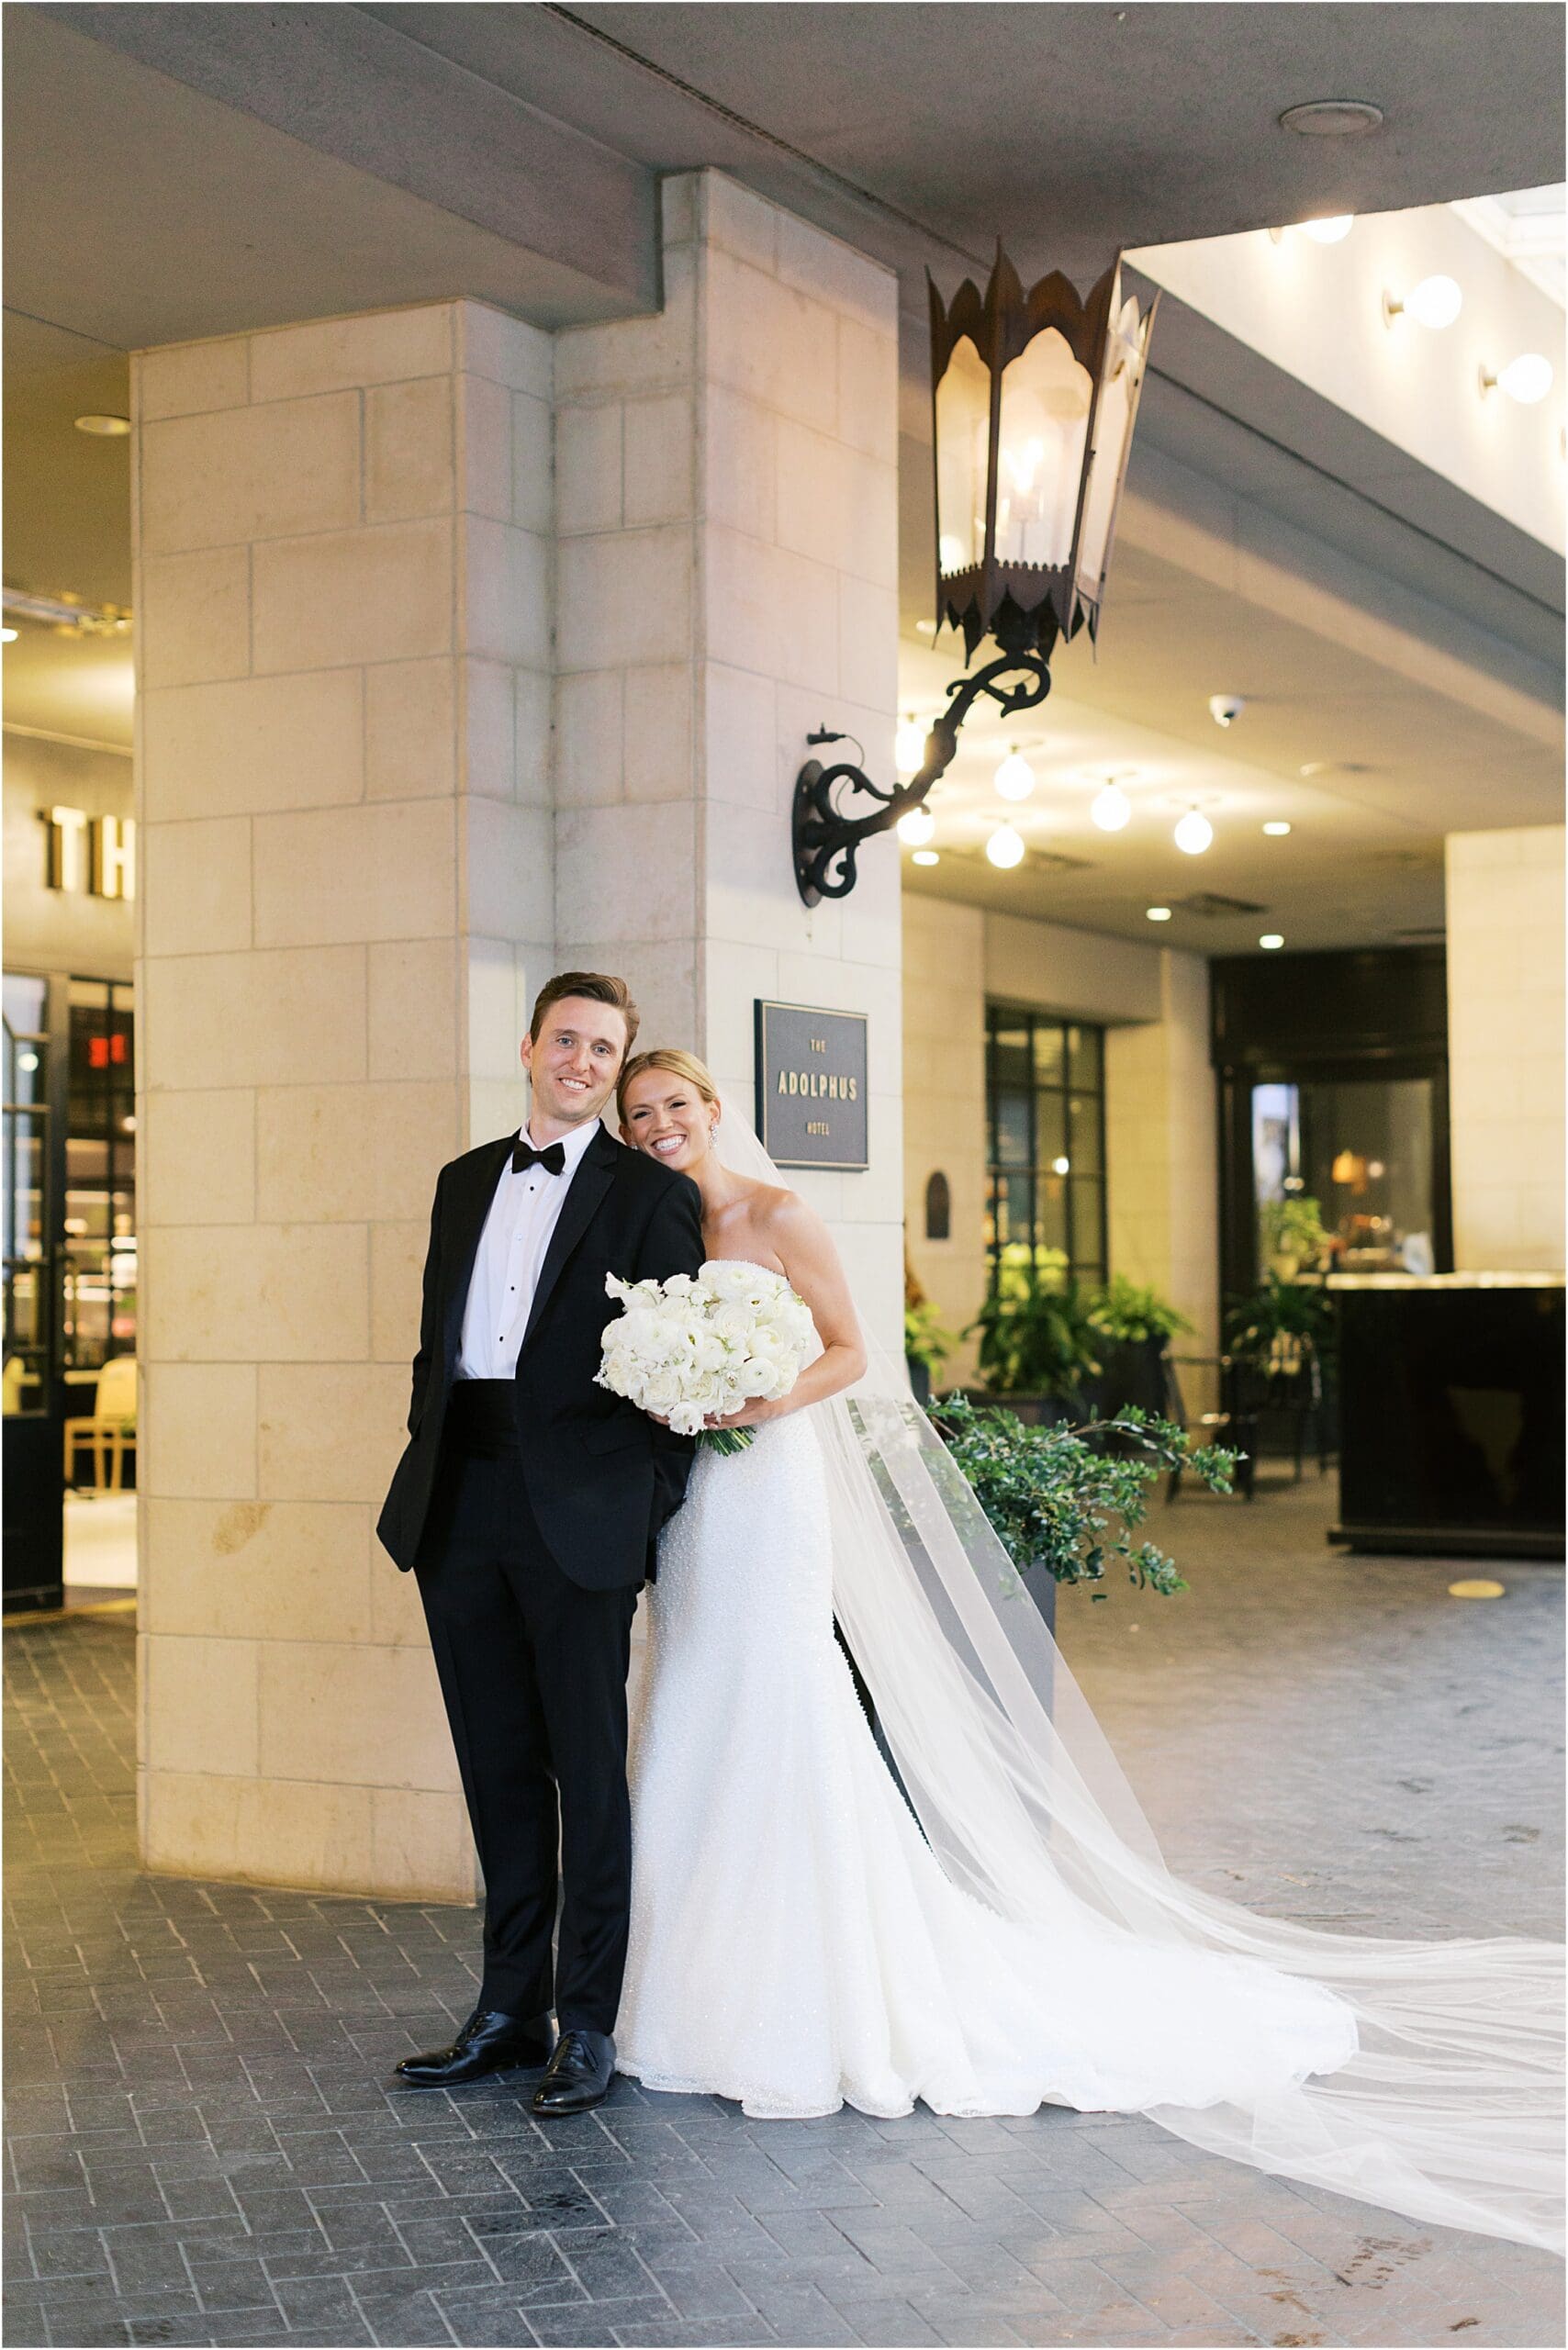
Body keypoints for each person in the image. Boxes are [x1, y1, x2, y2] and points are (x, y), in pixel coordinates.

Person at [612, 1046, 1563, 2255]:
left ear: (711, 1109)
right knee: (693, 1691)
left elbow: (851, 1350)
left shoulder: (780, 1214)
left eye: (674, 1108)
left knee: (785, 1699)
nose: (658, 1127)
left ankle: (812, 1983)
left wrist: (754, 1397)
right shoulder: (645, 1220)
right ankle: (680, 1980)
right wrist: (670, 1390)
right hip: (698, 1501)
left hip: (773, 1485)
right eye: (642, 1115)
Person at [376, 976, 703, 2117]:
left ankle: (589, 2025)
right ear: (528, 1047)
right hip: (458, 1503)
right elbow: (436, 1344)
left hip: (580, 1518)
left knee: (586, 1773)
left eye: (602, 1048)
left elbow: (680, 1373)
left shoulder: (651, 1195)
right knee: (497, 1764)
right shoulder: (463, 1181)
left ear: (615, 1069)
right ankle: (506, 2012)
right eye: (565, 1038)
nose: (581, 1060)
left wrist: (639, 1503)